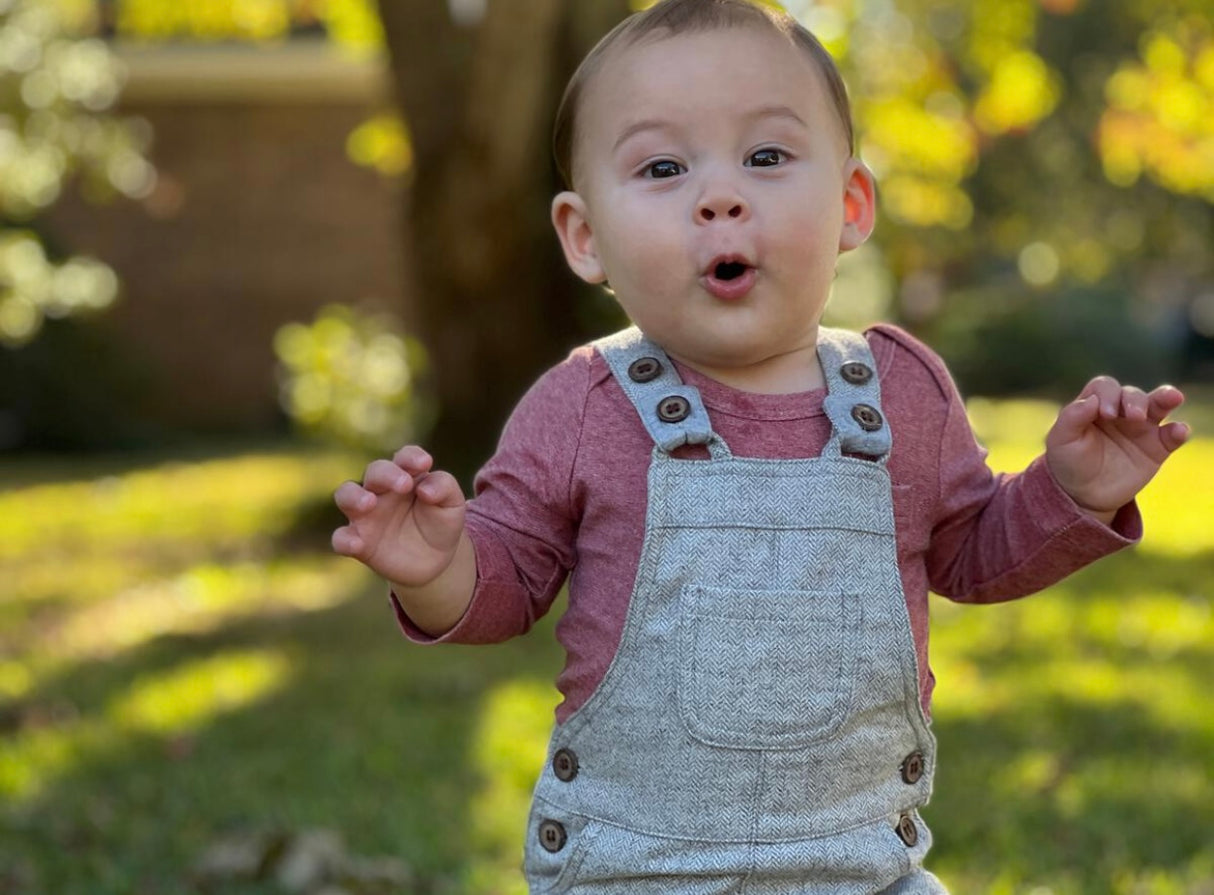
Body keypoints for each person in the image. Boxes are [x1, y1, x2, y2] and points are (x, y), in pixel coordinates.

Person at [332, 1, 1190, 891]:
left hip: (860, 868)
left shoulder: (901, 392)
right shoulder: (583, 405)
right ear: (586, 238)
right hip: (635, 869)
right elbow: (509, 581)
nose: (720, 196)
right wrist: (439, 567)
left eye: (767, 157)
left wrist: (1071, 492)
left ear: (850, 205)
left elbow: (974, 551)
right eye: (664, 167)